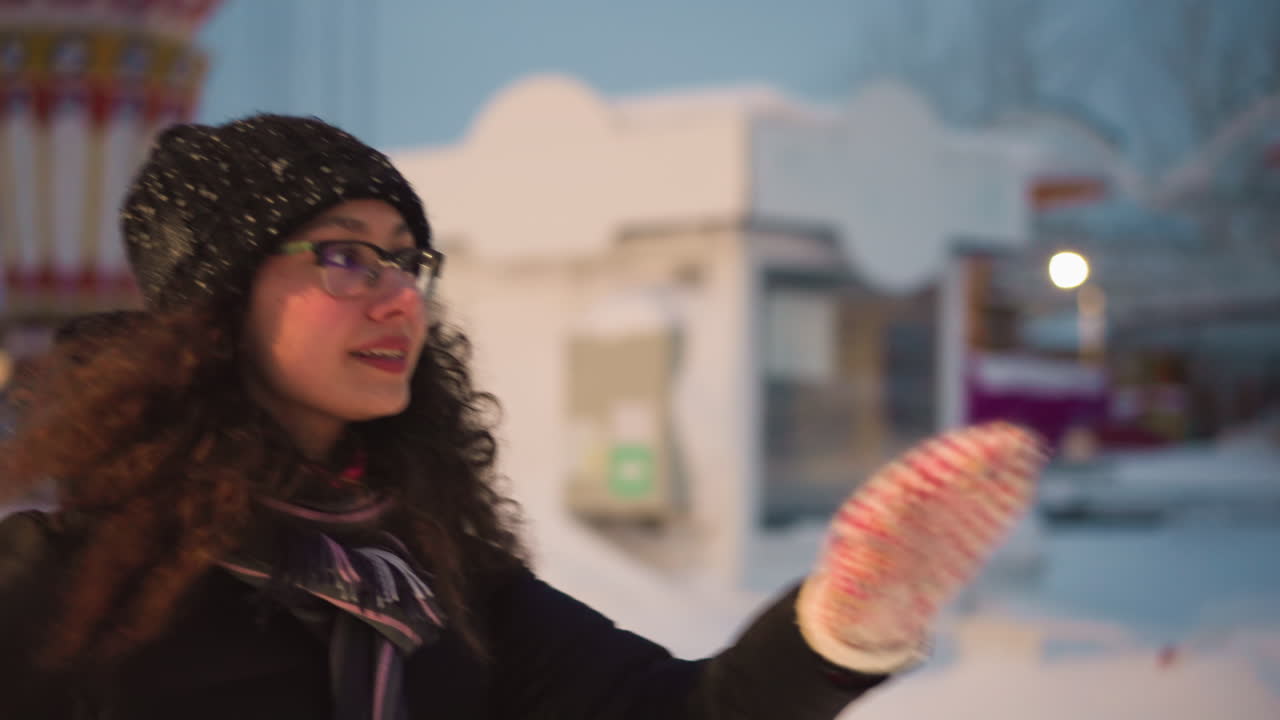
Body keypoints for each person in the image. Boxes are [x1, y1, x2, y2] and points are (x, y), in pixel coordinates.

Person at [0, 114, 1046, 719]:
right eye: (341, 252)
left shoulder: (436, 583)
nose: (398, 293)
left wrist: (835, 631)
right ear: (214, 306)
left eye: (407, 260)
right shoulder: (60, 594)